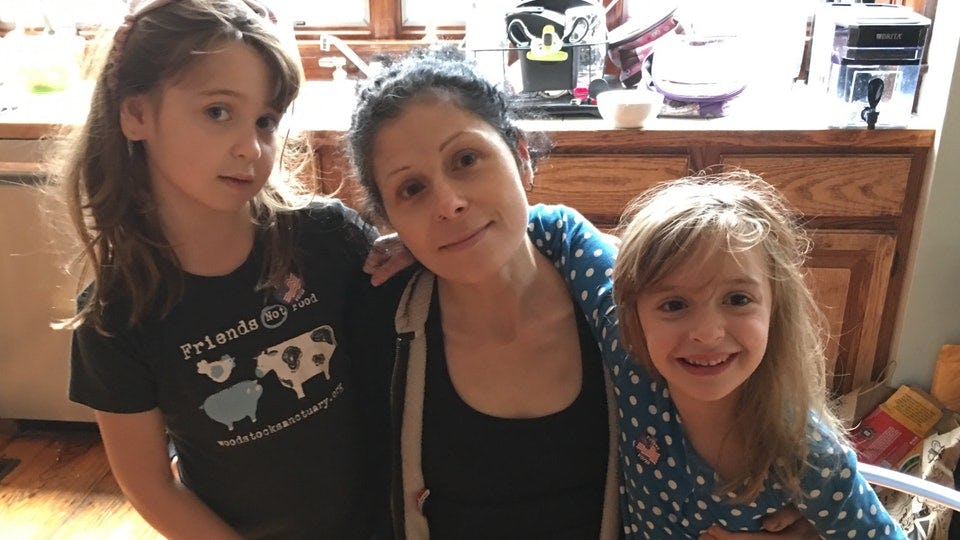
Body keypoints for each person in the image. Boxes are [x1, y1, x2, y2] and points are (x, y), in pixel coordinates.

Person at [344, 49, 822, 540]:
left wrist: (802, 511)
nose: (449, 203)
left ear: (521, 154)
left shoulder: (633, 304)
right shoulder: (382, 319)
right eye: (412, 190)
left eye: (466, 159)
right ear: (388, 220)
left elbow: (755, 406)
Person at [51, 1, 384, 537]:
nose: (250, 147)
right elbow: (150, 485)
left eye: (266, 121)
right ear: (136, 114)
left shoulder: (327, 238)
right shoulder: (115, 315)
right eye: (217, 112)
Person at [528, 172, 904, 538]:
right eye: (674, 304)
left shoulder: (807, 454)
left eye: (737, 299)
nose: (707, 333)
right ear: (631, 313)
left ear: (776, 308)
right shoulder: (629, 353)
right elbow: (559, 228)